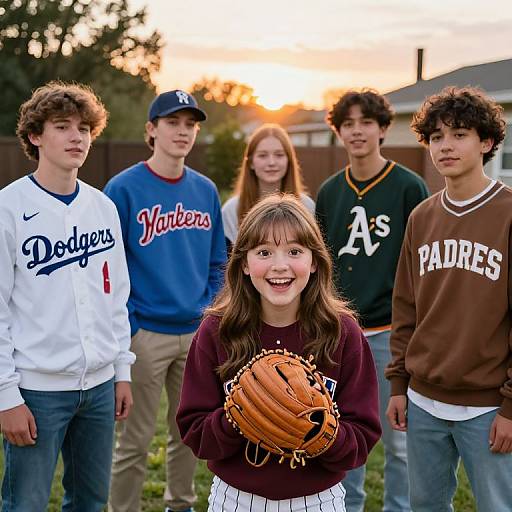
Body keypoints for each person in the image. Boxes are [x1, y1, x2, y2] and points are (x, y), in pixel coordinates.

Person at [177, 193, 381, 512]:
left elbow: (363, 437)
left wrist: (319, 432)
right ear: (244, 263)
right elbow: (195, 431)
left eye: (295, 251)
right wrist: (243, 414)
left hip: (317, 500)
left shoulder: (342, 332)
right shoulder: (217, 330)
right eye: (264, 252)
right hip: (236, 498)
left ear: (314, 261)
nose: (280, 265)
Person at [0, 81, 135, 511]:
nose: (77, 137)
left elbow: (115, 296)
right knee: (26, 504)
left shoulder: (102, 207)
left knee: (91, 503)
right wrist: (6, 396)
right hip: (36, 391)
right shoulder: (8, 208)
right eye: (62, 126)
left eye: (84, 127)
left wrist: (121, 369)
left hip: (98, 387)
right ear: (35, 136)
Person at [385, 86, 512, 511]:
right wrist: (399, 384)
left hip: (488, 406)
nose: (446, 146)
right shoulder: (422, 217)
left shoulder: (508, 214)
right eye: (436, 137)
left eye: (459, 134)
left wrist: (511, 406)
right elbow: (405, 307)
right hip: (423, 401)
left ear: (487, 142)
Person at [104, 89, 227, 512]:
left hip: (194, 334)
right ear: (151, 130)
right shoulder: (122, 189)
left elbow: (217, 262)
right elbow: (109, 268)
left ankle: (181, 504)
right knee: (134, 441)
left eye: (190, 124)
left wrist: (207, 312)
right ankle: (123, 509)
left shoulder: (205, 190)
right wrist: (132, 325)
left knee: (189, 435)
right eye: (173, 122)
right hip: (145, 335)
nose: (183, 131)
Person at [315, 89, 429, 512]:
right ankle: (347, 506)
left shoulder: (407, 187)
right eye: (348, 124)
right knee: (344, 433)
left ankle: (398, 508)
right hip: (340, 334)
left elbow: (421, 265)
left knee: (399, 440)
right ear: (339, 131)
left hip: (390, 333)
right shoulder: (330, 192)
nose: (357, 131)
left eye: (366, 123)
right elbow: (320, 264)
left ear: (383, 128)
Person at [222, 123, 315, 249]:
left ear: (289, 161)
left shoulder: (306, 206)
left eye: (279, 155)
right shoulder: (232, 210)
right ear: (250, 163)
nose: (271, 162)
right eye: (262, 155)